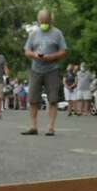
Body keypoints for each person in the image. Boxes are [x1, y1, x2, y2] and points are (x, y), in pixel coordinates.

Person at [21, 8, 67, 136]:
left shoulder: (57, 33)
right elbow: (26, 50)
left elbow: (63, 51)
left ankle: (51, 127)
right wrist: (34, 55)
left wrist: (52, 56)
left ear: (50, 20)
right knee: (33, 99)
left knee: (53, 99)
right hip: (36, 69)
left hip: (52, 70)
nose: (44, 24)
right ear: (38, 21)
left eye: (46, 21)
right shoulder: (34, 33)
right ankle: (33, 126)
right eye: (41, 21)